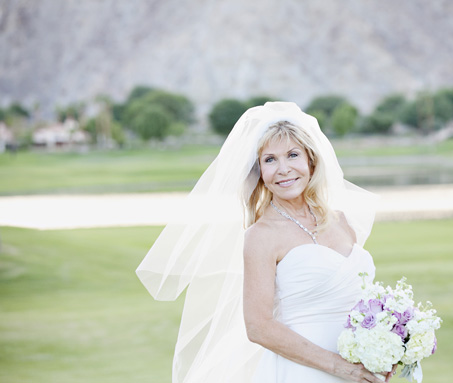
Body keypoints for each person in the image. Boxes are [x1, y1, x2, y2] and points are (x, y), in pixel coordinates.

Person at [136, 102, 388, 382]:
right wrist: (337, 367)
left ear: (310, 161)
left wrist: (387, 342)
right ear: (259, 173)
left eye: (293, 155)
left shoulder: (341, 221)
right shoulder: (261, 236)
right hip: (305, 372)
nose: (283, 169)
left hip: (360, 370)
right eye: (270, 160)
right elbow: (258, 327)